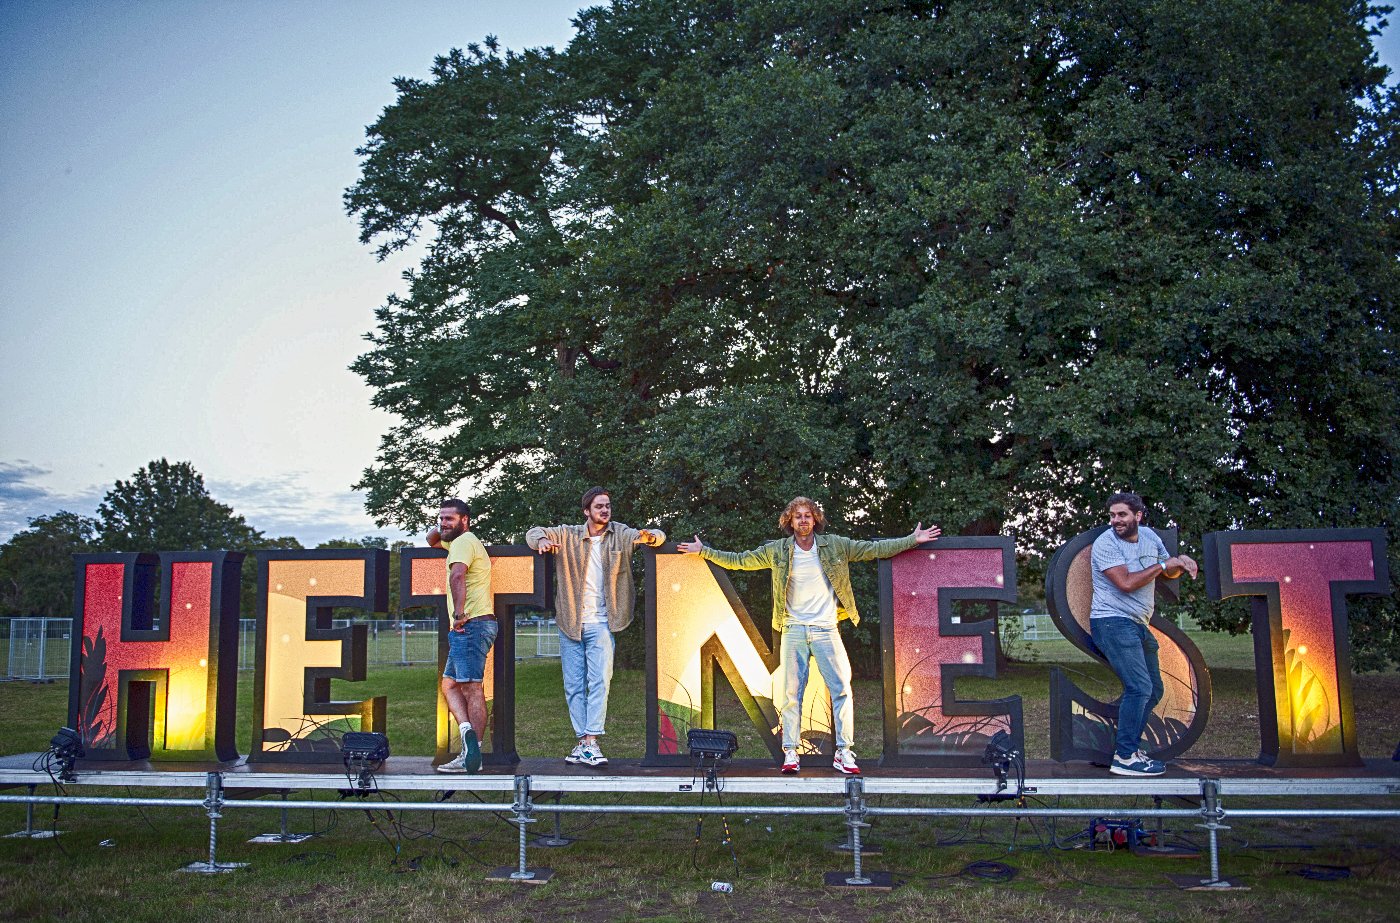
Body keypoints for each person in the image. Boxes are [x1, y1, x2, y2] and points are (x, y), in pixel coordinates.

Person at [678, 497, 939, 775]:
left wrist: (912, 540)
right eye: (797, 516)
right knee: (791, 694)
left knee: (841, 690)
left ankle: (844, 752)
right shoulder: (777, 551)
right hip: (793, 630)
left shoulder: (835, 545)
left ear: (815, 520)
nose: (803, 520)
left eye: (808, 515)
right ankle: (790, 751)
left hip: (827, 629)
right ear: (789, 522)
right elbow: (740, 561)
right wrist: (704, 551)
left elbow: (874, 549)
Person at [526, 487, 665, 767]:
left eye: (608, 506)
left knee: (600, 681)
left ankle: (591, 741)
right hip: (570, 623)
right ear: (586, 511)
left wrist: (652, 536)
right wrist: (541, 540)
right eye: (599, 506)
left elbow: (656, 536)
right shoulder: (568, 534)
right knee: (574, 686)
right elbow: (533, 532)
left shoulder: (620, 534)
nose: (605, 510)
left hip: (602, 623)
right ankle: (582, 742)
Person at [1089, 491, 1198, 776]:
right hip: (1112, 622)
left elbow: (1167, 573)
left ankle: (1130, 749)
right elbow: (1125, 583)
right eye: (1112, 515)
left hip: (1138, 624)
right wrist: (1164, 564)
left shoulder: (1150, 538)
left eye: (1122, 514)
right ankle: (1125, 757)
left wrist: (1180, 565)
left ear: (1138, 515)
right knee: (1139, 687)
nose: (1115, 520)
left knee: (1153, 689)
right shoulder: (1105, 543)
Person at [426, 498, 495, 773]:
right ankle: (468, 735)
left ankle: (472, 753)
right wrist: (441, 526)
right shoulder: (455, 542)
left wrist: (458, 614)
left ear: (465, 520)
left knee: (471, 688)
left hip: (469, 625)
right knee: (450, 685)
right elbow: (431, 540)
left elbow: (458, 576)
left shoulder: (464, 543)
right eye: (441, 518)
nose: (443, 523)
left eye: (449, 519)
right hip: (474, 626)